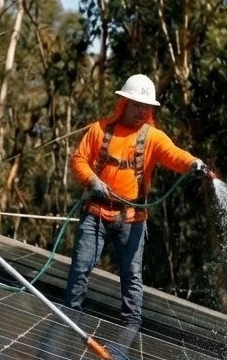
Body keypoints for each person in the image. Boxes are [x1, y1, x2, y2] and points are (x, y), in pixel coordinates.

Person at [65, 74, 209, 329]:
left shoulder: (152, 137)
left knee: (132, 276)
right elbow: (79, 159)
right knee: (81, 266)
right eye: (136, 105)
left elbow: (174, 155)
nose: (142, 111)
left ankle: (131, 328)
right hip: (96, 213)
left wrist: (193, 163)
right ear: (123, 103)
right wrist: (92, 180)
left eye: (146, 107)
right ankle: (69, 317)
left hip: (132, 219)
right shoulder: (100, 129)